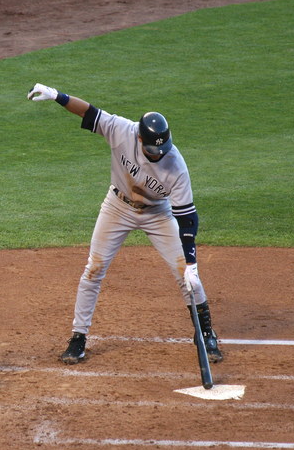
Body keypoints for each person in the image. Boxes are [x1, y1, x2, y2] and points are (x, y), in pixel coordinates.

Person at [27, 83, 223, 365]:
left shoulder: (176, 166)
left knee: (186, 276)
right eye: (154, 150)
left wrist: (191, 262)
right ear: (140, 140)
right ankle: (78, 337)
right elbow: (89, 112)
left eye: (163, 149)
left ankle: (206, 333)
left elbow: (187, 219)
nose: (160, 154)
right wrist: (58, 96)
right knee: (93, 269)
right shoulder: (122, 130)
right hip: (117, 207)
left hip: (158, 213)